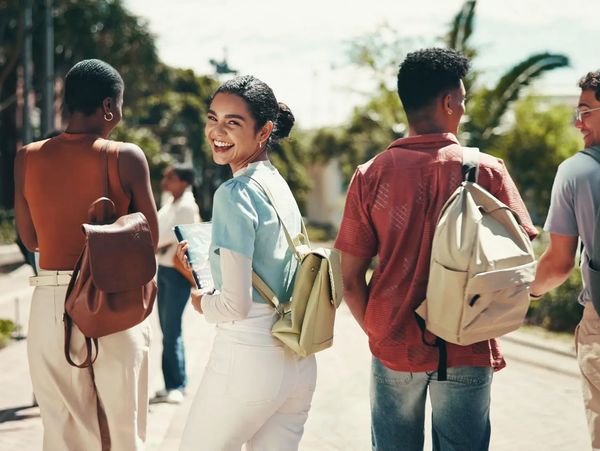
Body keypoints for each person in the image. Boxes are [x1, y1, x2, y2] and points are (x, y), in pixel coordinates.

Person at [334, 48, 537, 451]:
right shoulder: (486, 170)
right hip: (468, 342)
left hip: (394, 343)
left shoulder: (371, 174)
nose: (462, 108)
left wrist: (379, 332)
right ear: (448, 102)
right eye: (461, 99)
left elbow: (350, 278)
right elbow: (520, 254)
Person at [14, 59, 158, 450]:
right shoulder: (125, 155)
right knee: (123, 431)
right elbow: (149, 238)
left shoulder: (27, 157)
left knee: (62, 431)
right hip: (113, 297)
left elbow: (30, 239)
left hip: (50, 302)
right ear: (108, 106)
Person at [176, 75, 316, 450]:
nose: (217, 132)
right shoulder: (276, 184)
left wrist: (199, 298)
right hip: (297, 357)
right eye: (213, 118)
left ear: (264, 130)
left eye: (233, 122)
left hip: (248, 357)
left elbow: (233, 305)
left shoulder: (234, 193)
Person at [531, 70, 600, 450]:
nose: (578, 123)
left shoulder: (577, 171)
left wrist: (530, 292)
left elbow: (558, 264)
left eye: (585, 111)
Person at [151, 164, 200, 404]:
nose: (165, 180)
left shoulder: (187, 206)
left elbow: (175, 236)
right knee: (165, 330)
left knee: (172, 330)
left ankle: (177, 385)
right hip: (165, 269)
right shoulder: (171, 203)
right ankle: (169, 383)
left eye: (170, 177)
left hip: (177, 273)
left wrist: (156, 244)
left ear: (182, 181)